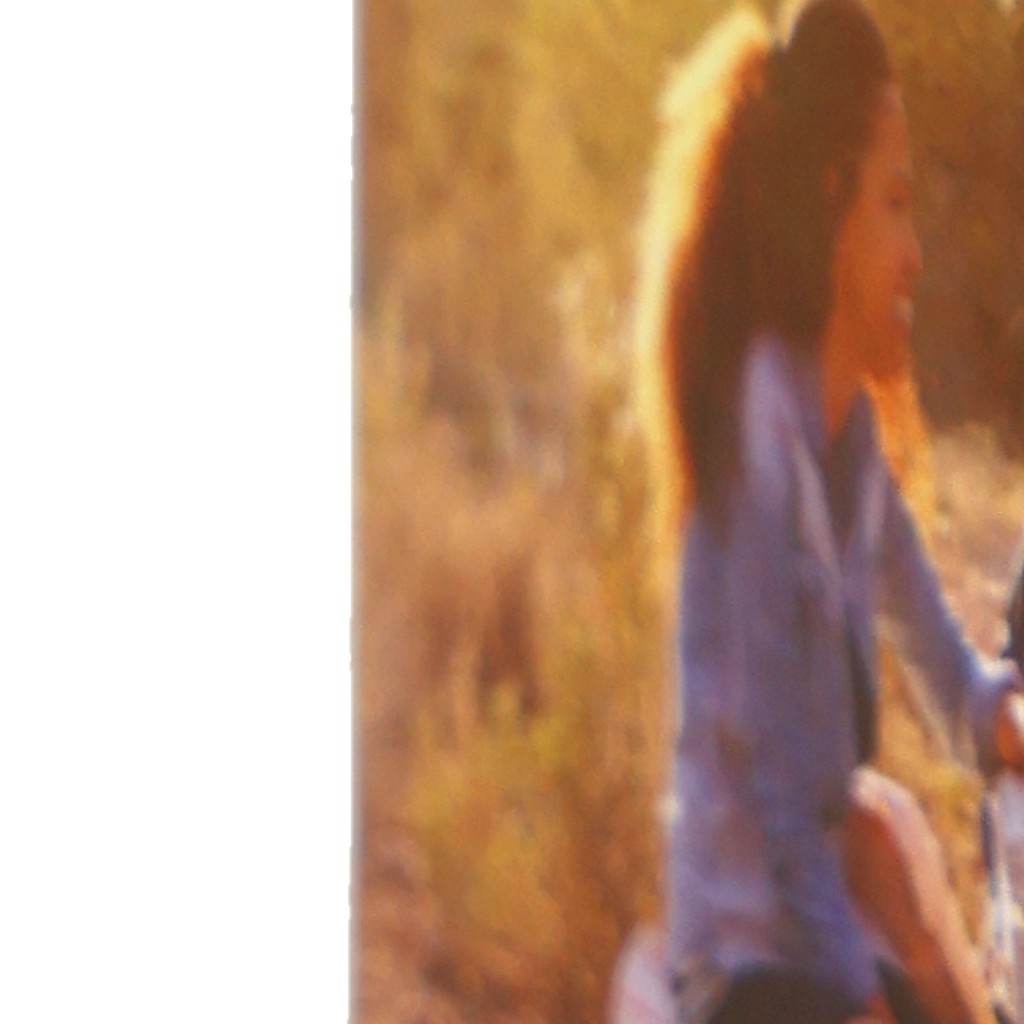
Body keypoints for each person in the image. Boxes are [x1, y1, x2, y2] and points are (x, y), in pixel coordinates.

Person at [645, 2, 1024, 1023]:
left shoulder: (850, 449)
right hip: (747, 970)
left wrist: (1007, 722)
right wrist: (864, 1005)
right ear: (829, 201)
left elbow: (948, 679)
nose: (916, 254)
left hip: (816, 937)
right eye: (894, 204)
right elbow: (775, 813)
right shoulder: (758, 441)